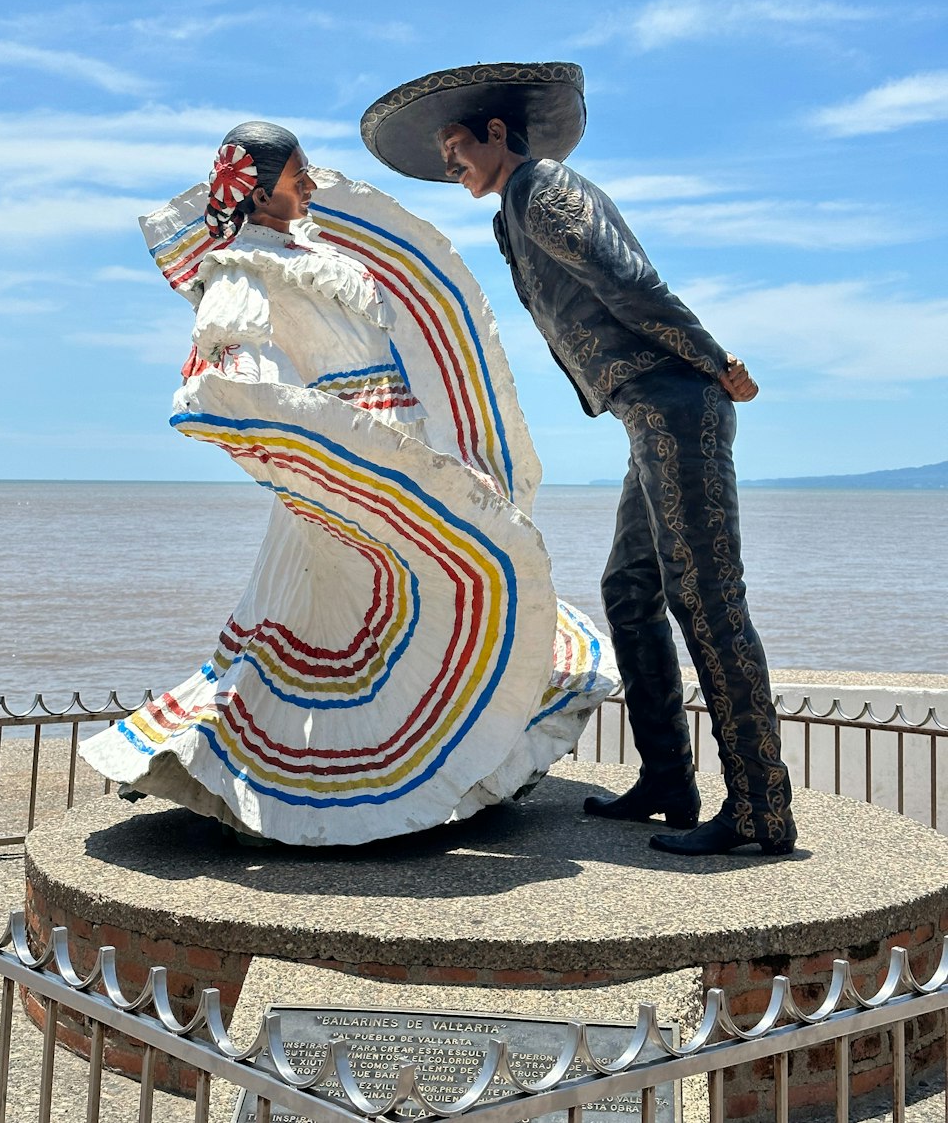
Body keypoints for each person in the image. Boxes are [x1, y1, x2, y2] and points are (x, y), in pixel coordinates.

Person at [79, 119, 616, 846]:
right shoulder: (239, 268)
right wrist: (301, 428)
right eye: (298, 171)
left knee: (452, 603)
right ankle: (314, 800)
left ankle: (459, 775)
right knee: (346, 627)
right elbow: (237, 367)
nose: (310, 180)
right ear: (262, 188)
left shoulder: (316, 250)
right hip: (345, 472)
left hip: (403, 462)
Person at [360, 63, 797, 857]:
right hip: (648, 414)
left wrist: (714, 358)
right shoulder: (510, 214)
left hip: (677, 404)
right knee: (629, 588)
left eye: (456, 147)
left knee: (707, 600)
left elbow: (632, 286)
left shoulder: (543, 190)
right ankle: (669, 780)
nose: (450, 164)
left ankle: (762, 808)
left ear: (499, 133)